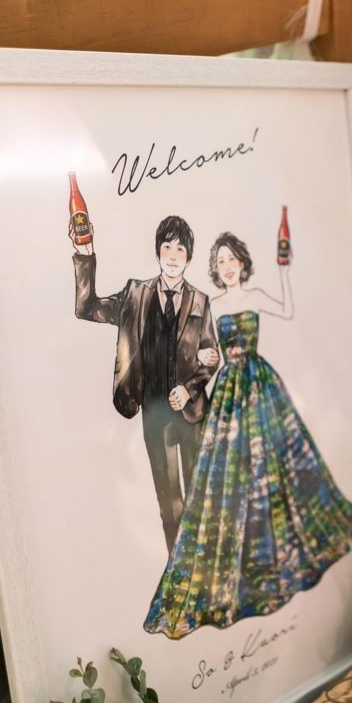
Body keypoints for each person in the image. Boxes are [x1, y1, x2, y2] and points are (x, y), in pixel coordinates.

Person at [144, 231, 352, 639]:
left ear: (242, 263)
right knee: (230, 477)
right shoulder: (213, 304)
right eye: (220, 262)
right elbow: (206, 349)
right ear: (216, 269)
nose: (227, 267)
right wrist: (206, 356)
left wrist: (284, 271)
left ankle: (279, 554)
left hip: (261, 385)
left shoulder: (256, 295)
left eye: (232, 260)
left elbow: (287, 308)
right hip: (230, 391)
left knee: (278, 467)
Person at [71, 215, 220, 552]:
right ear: (157, 252)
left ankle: (208, 565)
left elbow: (212, 356)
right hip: (154, 414)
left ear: (189, 257)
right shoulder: (135, 295)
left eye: (180, 249)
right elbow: (87, 308)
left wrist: (189, 388)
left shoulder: (200, 300)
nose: (173, 255)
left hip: (193, 414)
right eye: (167, 247)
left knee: (200, 499)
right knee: (170, 507)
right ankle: (180, 570)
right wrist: (85, 251)